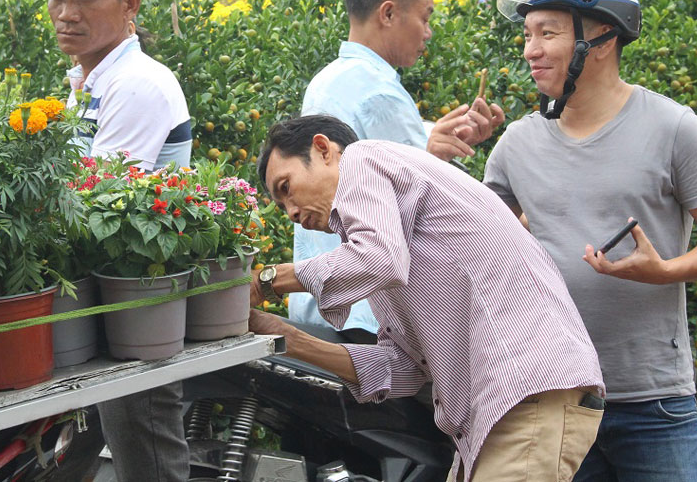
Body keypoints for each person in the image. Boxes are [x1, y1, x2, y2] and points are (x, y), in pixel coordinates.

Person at [483, 0, 697, 481]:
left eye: (548, 33)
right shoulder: (516, 144)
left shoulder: (675, 128)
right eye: (529, 34)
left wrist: (667, 271)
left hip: (653, 402)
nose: (530, 49)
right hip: (552, 401)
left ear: (600, 38)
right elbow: (478, 248)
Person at [250, 115, 606, 482]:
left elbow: (378, 258)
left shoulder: (361, 159)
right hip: (506, 410)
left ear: (323, 149)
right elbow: (403, 368)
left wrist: (269, 279)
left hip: (527, 393)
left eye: (287, 187)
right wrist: (287, 340)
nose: (292, 213)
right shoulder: (383, 243)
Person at [22, 0, 191, 482]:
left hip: (133, 298)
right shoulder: (88, 80)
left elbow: (99, 202)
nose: (66, 12)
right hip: (98, 298)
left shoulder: (138, 84)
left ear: (131, 4)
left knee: (146, 450)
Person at [291, 0, 505, 335]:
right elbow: (422, 202)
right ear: (388, 14)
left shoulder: (330, 80)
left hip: (323, 298)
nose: (428, 32)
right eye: (425, 18)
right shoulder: (380, 92)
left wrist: (438, 139)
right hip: (366, 311)